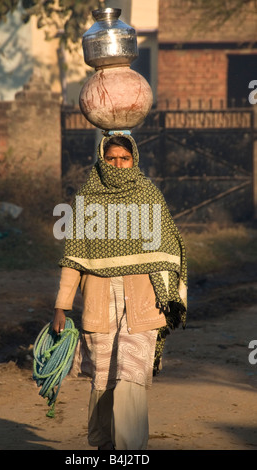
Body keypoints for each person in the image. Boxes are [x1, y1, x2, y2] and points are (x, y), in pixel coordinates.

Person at [52, 133, 187, 450]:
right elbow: (74, 259)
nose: (117, 164)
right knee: (104, 383)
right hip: (99, 304)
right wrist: (61, 306)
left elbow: (168, 250)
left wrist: (171, 298)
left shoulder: (148, 196)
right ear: (101, 160)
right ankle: (105, 445)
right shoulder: (88, 200)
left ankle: (129, 451)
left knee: (129, 380)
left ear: (134, 160)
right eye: (111, 159)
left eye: (124, 159)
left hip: (142, 304)